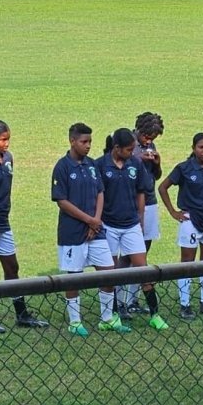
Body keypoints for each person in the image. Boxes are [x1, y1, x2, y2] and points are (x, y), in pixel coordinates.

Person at [53, 123, 131, 336]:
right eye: (83, 142)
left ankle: (107, 318)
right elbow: (61, 201)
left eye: (90, 142)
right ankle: (75, 322)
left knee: (108, 272)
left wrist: (96, 221)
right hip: (72, 232)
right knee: (74, 277)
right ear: (72, 141)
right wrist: (89, 220)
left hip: (96, 231)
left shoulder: (91, 165)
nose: (88, 146)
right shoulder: (63, 166)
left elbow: (100, 192)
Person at [0, 120, 48, 332]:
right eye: (3, 139)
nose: (7, 143)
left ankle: (21, 314)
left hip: (3, 221)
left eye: (8, 139)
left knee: (12, 266)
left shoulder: (8, 159)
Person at [96, 128, 169, 330]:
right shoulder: (100, 165)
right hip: (108, 226)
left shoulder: (135, 164)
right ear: (116, 148)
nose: (132, 152)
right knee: (109, 273)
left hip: (131, 226)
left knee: (143, 270)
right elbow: (96, 194)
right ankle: (112, 316)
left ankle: (155, 315)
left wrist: (140, 218)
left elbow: (141, 191)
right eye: (128, 149)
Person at [158, 133, 203, 320]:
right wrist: (173, 212)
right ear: (193, 148)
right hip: (190, 220)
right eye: (201, 147)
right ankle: (185, 304)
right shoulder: (184, 168)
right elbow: (163, 187)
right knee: (187, 263)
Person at [119, 112, 165, 316]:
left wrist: (157, 162)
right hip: (130, 203)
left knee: (142, 254)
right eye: (147, 136)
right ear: (139, 129)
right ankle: (118, 300)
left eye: (153, 138)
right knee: (128, 255)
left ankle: (133, 300)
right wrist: (138, 157)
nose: (149, 141)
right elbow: (118, 164)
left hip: (150, 201)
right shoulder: (126, 141)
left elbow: (156, 175)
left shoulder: (150, 146)